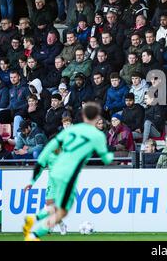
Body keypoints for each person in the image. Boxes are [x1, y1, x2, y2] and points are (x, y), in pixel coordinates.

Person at [22, 103, 114, 241]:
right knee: (49, 205)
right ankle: (59, 225)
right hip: (52, 181)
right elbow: (40, 167)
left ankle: (53, 225)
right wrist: (31, 183)